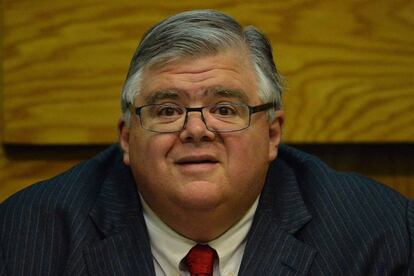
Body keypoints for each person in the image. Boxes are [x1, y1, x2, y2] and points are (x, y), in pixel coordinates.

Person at [0, 9, 412, 276]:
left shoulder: (380, 234)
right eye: (166, 110)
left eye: (226, 109)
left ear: (272, 134)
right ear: (127, 138)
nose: (196, 130)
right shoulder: (24, 236)